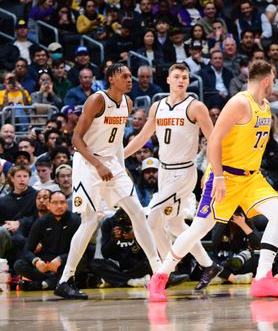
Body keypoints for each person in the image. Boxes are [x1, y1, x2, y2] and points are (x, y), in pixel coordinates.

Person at [148, 60, 278, 302]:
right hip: (225, 176)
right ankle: (160, 276)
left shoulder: (265, 106)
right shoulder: (239, 103)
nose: (274, 83)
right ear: (267, 80)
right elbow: (214, 140)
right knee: (198, 230)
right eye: (274, 78)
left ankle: (262, 278)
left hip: (251, 178)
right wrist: (217, 176)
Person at [54, 62, 163, 300]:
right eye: (125, 75)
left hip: (111, 162)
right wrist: (98, 165)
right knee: (90, 220)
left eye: (130, 75)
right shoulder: (97, 100)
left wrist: (120, 169)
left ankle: (159, 272)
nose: (130, 79)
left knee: (136, 211)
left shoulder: (128, 102)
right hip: (87, 163)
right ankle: (66, 279)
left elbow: (116, 145)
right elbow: (76, 139)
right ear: (112, 78)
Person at [123, 63, 221, 289]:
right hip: (164, 171)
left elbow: (213, 139)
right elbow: (141, 137)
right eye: (176, 77)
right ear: (167, 80)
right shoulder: (157, 107)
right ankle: (208, 265)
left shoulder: (196, 107)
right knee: (175, 224)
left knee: (153, 220)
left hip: (184, 171)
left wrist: (215, 171)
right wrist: (120, 155)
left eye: (185, 77)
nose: (181, 81)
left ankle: (167, 270)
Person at [14, 190, 79, 291]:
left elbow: (81, 250)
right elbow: (27, 249)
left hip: (66, 260)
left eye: (62, 202)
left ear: (67, 205)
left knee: (81, 262)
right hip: (47, 262)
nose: (59, 206)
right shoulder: (41, 222)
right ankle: (56, 282)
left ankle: (43, 284)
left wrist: (61, 259)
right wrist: (36, 262)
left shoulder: (76, 220)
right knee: (19, 265)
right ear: (48, 205)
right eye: (55, 203)